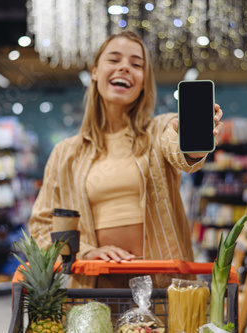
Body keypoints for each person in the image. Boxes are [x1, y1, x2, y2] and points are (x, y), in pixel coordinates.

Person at [29, 30, 224, 289]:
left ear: (144, 81)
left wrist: (195, 148)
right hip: (95, 286)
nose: (124, 68)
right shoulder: (65, 152)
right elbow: (42, 226)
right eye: (114, 60)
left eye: (136, 64)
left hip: (162, 285)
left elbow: (180, 151)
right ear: (95, 71)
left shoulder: (161, 128)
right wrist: (85, 251)